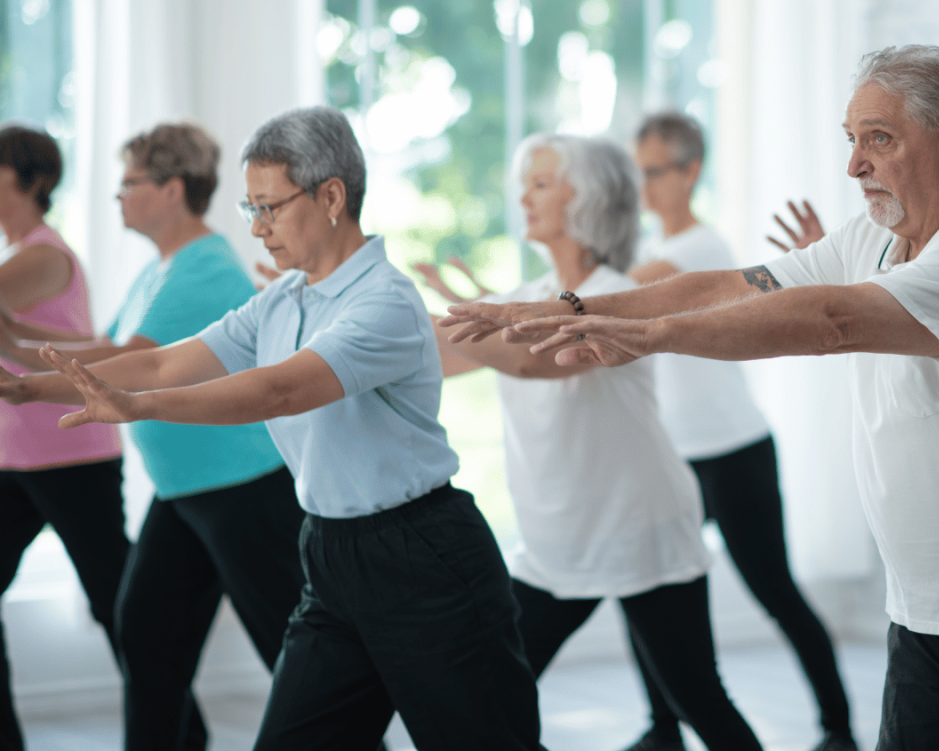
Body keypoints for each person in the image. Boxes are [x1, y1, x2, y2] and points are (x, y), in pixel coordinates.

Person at [441, 46, 939, 751]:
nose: (853, 164)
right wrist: (571, 307)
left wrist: (649, 337)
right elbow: (736, 283)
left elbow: (831, 321)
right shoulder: (870, 237)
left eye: (877, 139)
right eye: (850, 138)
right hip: (930, 618)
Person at [0, 106, 545, 751]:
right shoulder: (285, 297)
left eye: (270, 208)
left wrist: (138, 405)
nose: (257, 229)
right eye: (250, 209)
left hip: (422, 555)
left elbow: (279, 388)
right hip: (331, 551)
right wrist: (27, 388)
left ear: (332, 196)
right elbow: (164, 359)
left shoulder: (385, 302)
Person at [433, 132, 763, 751]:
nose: (523, 197)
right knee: (491, 690)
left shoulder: (616, 295)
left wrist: (393, 313)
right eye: (524, 183)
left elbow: (535, 360)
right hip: (558, 543)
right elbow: (450, 360)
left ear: (586, 200)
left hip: (640, 526)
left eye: (541, 183)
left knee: (699, 700)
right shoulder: (525, 298)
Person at [0, 121, 306, 751]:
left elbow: (130, 363)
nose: (118, 195)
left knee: (299, 655)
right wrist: (14, 342)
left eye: (131, 182)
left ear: (173, 190)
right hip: (185, 492)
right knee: (144, 635)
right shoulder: (159, 271)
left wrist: (25, 383)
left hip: (242, 492)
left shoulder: (204, 271)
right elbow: (98, 350)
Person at [616, 112, 854, 751]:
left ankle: (838, 728)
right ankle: (663, 726)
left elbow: (622, 292)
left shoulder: (700, 250)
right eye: (636, 173)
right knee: (649, 587)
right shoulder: (645, 253)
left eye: (654, 172)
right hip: (676, 458)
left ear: (690, 172)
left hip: (735, 456)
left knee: (775, 593)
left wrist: (552, 298)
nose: (644, 186)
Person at [0, 122, 126, 751]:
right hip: (15, 460)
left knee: (119, 606)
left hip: (73, 454)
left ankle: (180, 735)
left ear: (32, 180)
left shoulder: (45, 255)